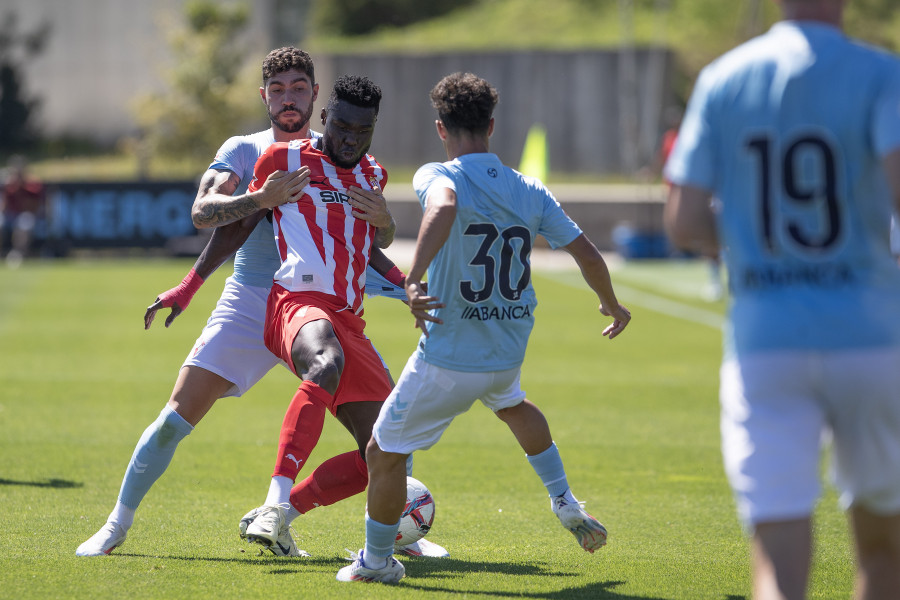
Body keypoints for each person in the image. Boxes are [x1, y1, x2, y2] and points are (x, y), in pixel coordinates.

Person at [76, 47, 445, 559]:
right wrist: (201, 271)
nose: (287, 98)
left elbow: (362, 243)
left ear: (316, 96)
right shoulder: (251, 150)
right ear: (265, 95)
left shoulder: (353, 159)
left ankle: (378, 533)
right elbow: (207, 214)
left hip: (325, 303)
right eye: (277, 89)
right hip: (254, 300)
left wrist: (398, 263)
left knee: (385, 440)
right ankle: (116, 524)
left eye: (298, 88)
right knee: (173, 420)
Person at [336, 72, 632, 584]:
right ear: (492, 126)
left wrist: (411, 279)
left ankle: (376, 562)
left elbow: (445, 206)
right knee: (513, 403)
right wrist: (611, 303)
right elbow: (585, 250)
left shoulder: (439, 173)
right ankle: (563, 498)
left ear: (440, 128)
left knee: (383, 452)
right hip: (506, 345)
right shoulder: (529, 188)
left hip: (449, 356)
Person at [663, 1, 900, 598]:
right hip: (870, 336)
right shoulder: (880, 72)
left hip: (766, 342)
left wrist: (750, 245)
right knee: (882, 554)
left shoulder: (726, 78)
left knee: (777, 568)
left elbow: (686, 221)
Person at [233, 73, 441, 556]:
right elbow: (233, 222)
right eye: (342, 126)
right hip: (296, 302)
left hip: (350, 319)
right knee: (324, 364)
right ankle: (274, 498)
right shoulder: (282, 158)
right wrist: (192, 282)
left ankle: (283, 516)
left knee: (388, 452)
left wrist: (403, 273)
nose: (350, 138)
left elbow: (368, 245)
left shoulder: (373, 174)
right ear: (324, 117)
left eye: (361, 131)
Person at [1, 155, 46, 268]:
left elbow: (35, 205)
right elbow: (4, 205)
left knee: (24, 223)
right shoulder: (9, 184)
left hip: (25, 214)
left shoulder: (32, 184)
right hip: (10, 215)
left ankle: (18, 253)